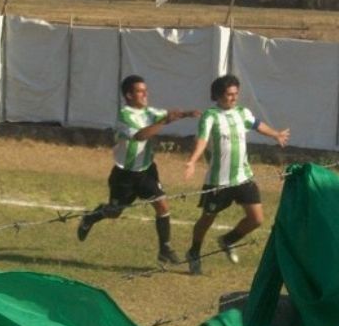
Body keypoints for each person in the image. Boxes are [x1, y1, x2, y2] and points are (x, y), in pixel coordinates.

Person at [77, 74, 199, 267]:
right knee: (114, 212)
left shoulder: (150, 112)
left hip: (146, 170)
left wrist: (186, 113)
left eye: (145, 90)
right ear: (129, 95)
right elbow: (140, 136)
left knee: (162, 205)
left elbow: (167, 115)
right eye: (140, 91)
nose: (145, 94)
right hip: (125, 174)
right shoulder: (125, 115)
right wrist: (164, 122)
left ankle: (165, 249)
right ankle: (91, 217)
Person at [183, 74, 290, 275]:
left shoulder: (242, 113)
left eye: (236, 93)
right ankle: (194, 252)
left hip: (243, 177)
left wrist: (275, 134)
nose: (234, 98)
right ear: (218, 95)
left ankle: (227, 240)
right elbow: (202, 140)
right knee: (207, 218)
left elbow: (258, 125)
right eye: (229, 94)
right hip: (218, 181)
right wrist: (192, 161)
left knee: (256, 219)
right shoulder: (210, 116)